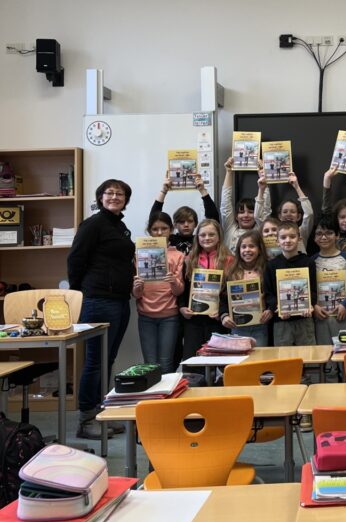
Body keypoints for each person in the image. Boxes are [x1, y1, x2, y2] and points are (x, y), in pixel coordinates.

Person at [67, 178, 135, 440]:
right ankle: (86, 420)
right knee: (95, 360)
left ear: (126, 200)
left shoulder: (119, 226)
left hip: (119, 300)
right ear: (100, 197)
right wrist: (79, 293)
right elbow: (75, 259)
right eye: (110, 192)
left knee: (107, 359)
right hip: (97, 301)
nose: (115, 196)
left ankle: (100, 413)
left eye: (120, 193)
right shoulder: (93, 224)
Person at [132, 210, 185, 374]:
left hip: (169, 316)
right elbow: (137, 294)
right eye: (155, 229)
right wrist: (136, 287)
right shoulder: (139, 254)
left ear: (171, 230)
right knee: (150, 363)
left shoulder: (177, 255)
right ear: (149, 231)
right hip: (146, 316)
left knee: (166, 362)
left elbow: (179, 291)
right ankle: (152, 399)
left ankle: (166, 398)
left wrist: (174, 281)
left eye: (164, 228)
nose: (160, 232)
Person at [178, 219, 234, 359]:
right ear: (197, 238)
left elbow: (231, 292)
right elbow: (184, 287)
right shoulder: (189, 259)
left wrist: (222, 312)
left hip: (217, 319)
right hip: (194, 319)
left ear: (219, 236)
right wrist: (182, 307)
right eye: (202, 235)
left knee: (218, 361)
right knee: (193, 361)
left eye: (211, 234)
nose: (207, 238)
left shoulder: (229, 260)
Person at [311, 214, 346, 344]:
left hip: (344, 315)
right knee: (324, 357)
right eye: (319, 233)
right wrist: (314, 306)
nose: (323, 237)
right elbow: (308, 291)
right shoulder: (311, 261)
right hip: (321, 318)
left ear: (337, 235)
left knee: (345, 356)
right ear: (314, 237)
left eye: (329, 233)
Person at [264, 220, 316, 346]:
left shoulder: (308, 262)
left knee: (308, 357)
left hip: (304, 318)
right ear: (277, 241)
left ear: (299, 239)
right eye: (283, 237)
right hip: (281, 321)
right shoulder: (271, 265)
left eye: (292, 236)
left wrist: (310, 305)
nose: (288, 240)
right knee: (284, 359)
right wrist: (278, 307)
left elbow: (313, 290)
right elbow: (268, 293)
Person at [221, 229, 272, 346]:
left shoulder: (266, 270)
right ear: (239, 250)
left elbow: (272, 295)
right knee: (240, 363)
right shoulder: (231, 272)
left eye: (251, 246)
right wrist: (224, 316)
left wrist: (270, 310)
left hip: (261, 325)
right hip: (237, 326)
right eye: (243, 247)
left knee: (259, 361)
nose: (247, 250)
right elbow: (223, 299)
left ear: (259, 249)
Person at [148, 169, 219, 239]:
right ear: (175, 225)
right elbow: (154, 218)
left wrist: (203, 190)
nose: (186, 225)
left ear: (196, 224)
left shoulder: (200, 240)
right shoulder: (169, 239)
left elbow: (213, 220)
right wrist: (163, 191)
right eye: (182, 222)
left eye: (190, 221)